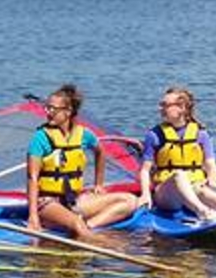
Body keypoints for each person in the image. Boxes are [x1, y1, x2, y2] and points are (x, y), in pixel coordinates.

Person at [25, 83, 137, 240]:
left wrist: (99, 184)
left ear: (68, 112)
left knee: (130, 201)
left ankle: (89, 226)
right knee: (77, 224)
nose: (48, 112)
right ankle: (112, 253)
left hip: (74, 201)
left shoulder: (84, 135)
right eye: (47, 107)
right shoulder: (40, 138)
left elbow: (100, 151)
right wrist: (33, 216)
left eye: (53, 109)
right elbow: (32, 178)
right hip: (47, 202)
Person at [136, 86, 216, 222]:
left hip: (194, 187)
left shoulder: (201, 134)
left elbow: (211, 166)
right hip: (166, 195)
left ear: (182, 108)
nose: (160, 109)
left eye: (165, 105)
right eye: (161, 105)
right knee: (179, 175)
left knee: (201, 189)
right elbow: (145, 170)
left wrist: (212, 180)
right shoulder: (154, 135)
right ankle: (202, 212)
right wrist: (145, 194)